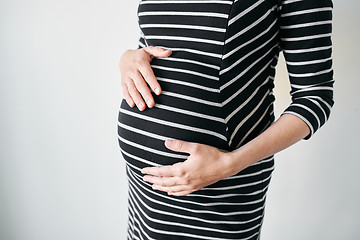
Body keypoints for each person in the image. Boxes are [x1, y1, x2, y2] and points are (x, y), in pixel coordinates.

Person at [117, 0, 334, 239]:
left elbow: (315, 96)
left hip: (222, 189)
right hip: (144, 189)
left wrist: (229, 164)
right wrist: (129, 58)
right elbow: (155, 44)